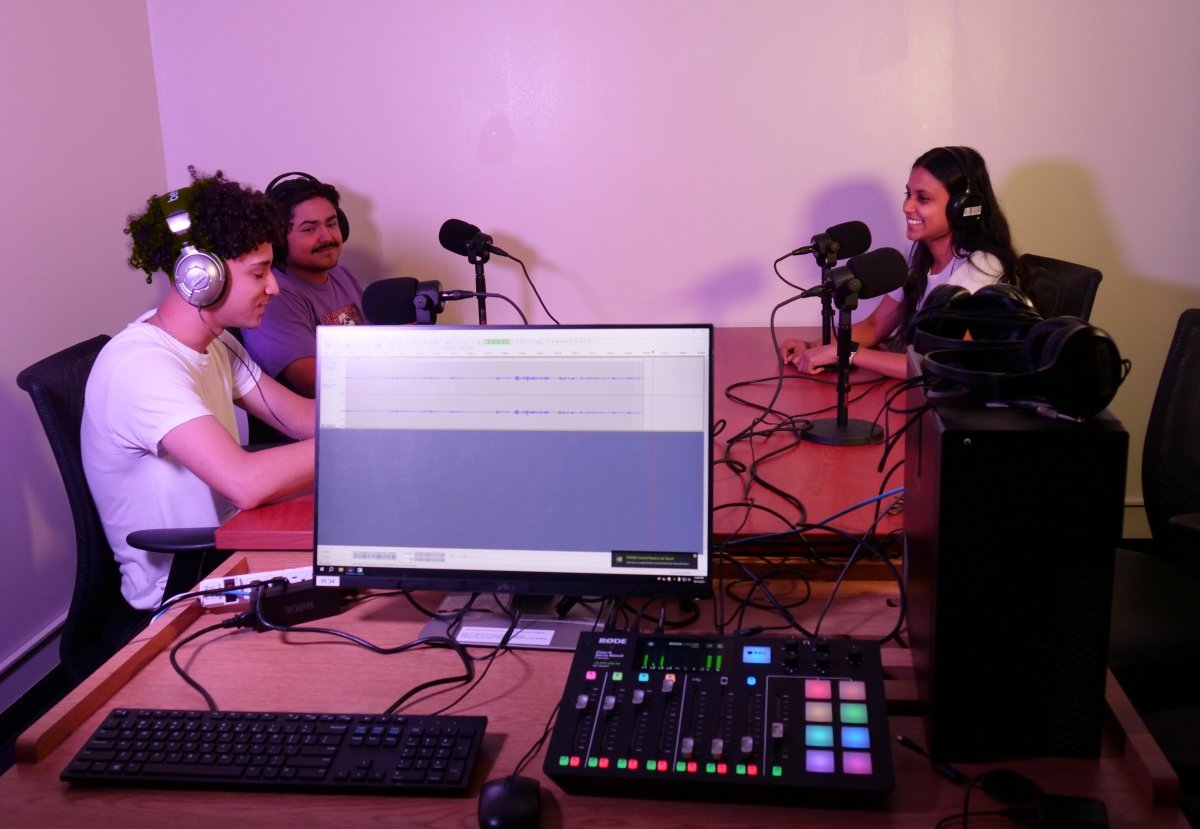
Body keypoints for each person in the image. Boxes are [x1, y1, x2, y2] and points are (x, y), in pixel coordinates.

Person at [82, 168, 316, 610]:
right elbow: (244, 483)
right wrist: (368, 439)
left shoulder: (216, 342)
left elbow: (301, 418)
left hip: (232, 548)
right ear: (199, 277)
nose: (274, 286)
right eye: (259, 272)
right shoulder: (143, 367)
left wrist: (390, 409)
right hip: (183, 591)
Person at [781, 146, 1024, 379]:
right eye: (909, 194)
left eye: (923, 198)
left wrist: (847, 352)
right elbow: (875, 326)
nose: (907, 207)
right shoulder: (916, 253)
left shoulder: (981, 267)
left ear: (963, 208)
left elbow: (937, 364)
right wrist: (811, 346)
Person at [240, 172, 365, 398]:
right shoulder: (273, 296)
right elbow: (317, 383)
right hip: (307, 429)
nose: (326, 237)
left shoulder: (343, 276)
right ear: (277, 237)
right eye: (309, 229)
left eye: (332, 223)